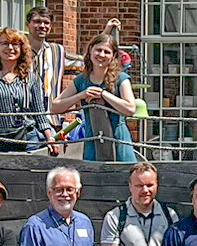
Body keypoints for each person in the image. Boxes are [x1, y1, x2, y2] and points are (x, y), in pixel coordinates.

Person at [52, 26, 139, 162]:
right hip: (92, 140)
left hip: (119, 140)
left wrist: (104, 94)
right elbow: (55, 107)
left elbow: (130, 109)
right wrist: (80, 95)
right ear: (91, 51)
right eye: (98, 50)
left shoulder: (121, 79)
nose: (102, 55)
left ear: (113, 56)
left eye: (107, 52)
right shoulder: (81, 80)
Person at [26, 4, 74, 152]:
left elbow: (88, 62)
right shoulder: (17, 51)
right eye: (37, 21)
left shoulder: (57, 51)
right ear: (28, 24)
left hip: (52, 120)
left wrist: (106, 34)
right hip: (27, 122)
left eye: (46, 22)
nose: (42, 26)